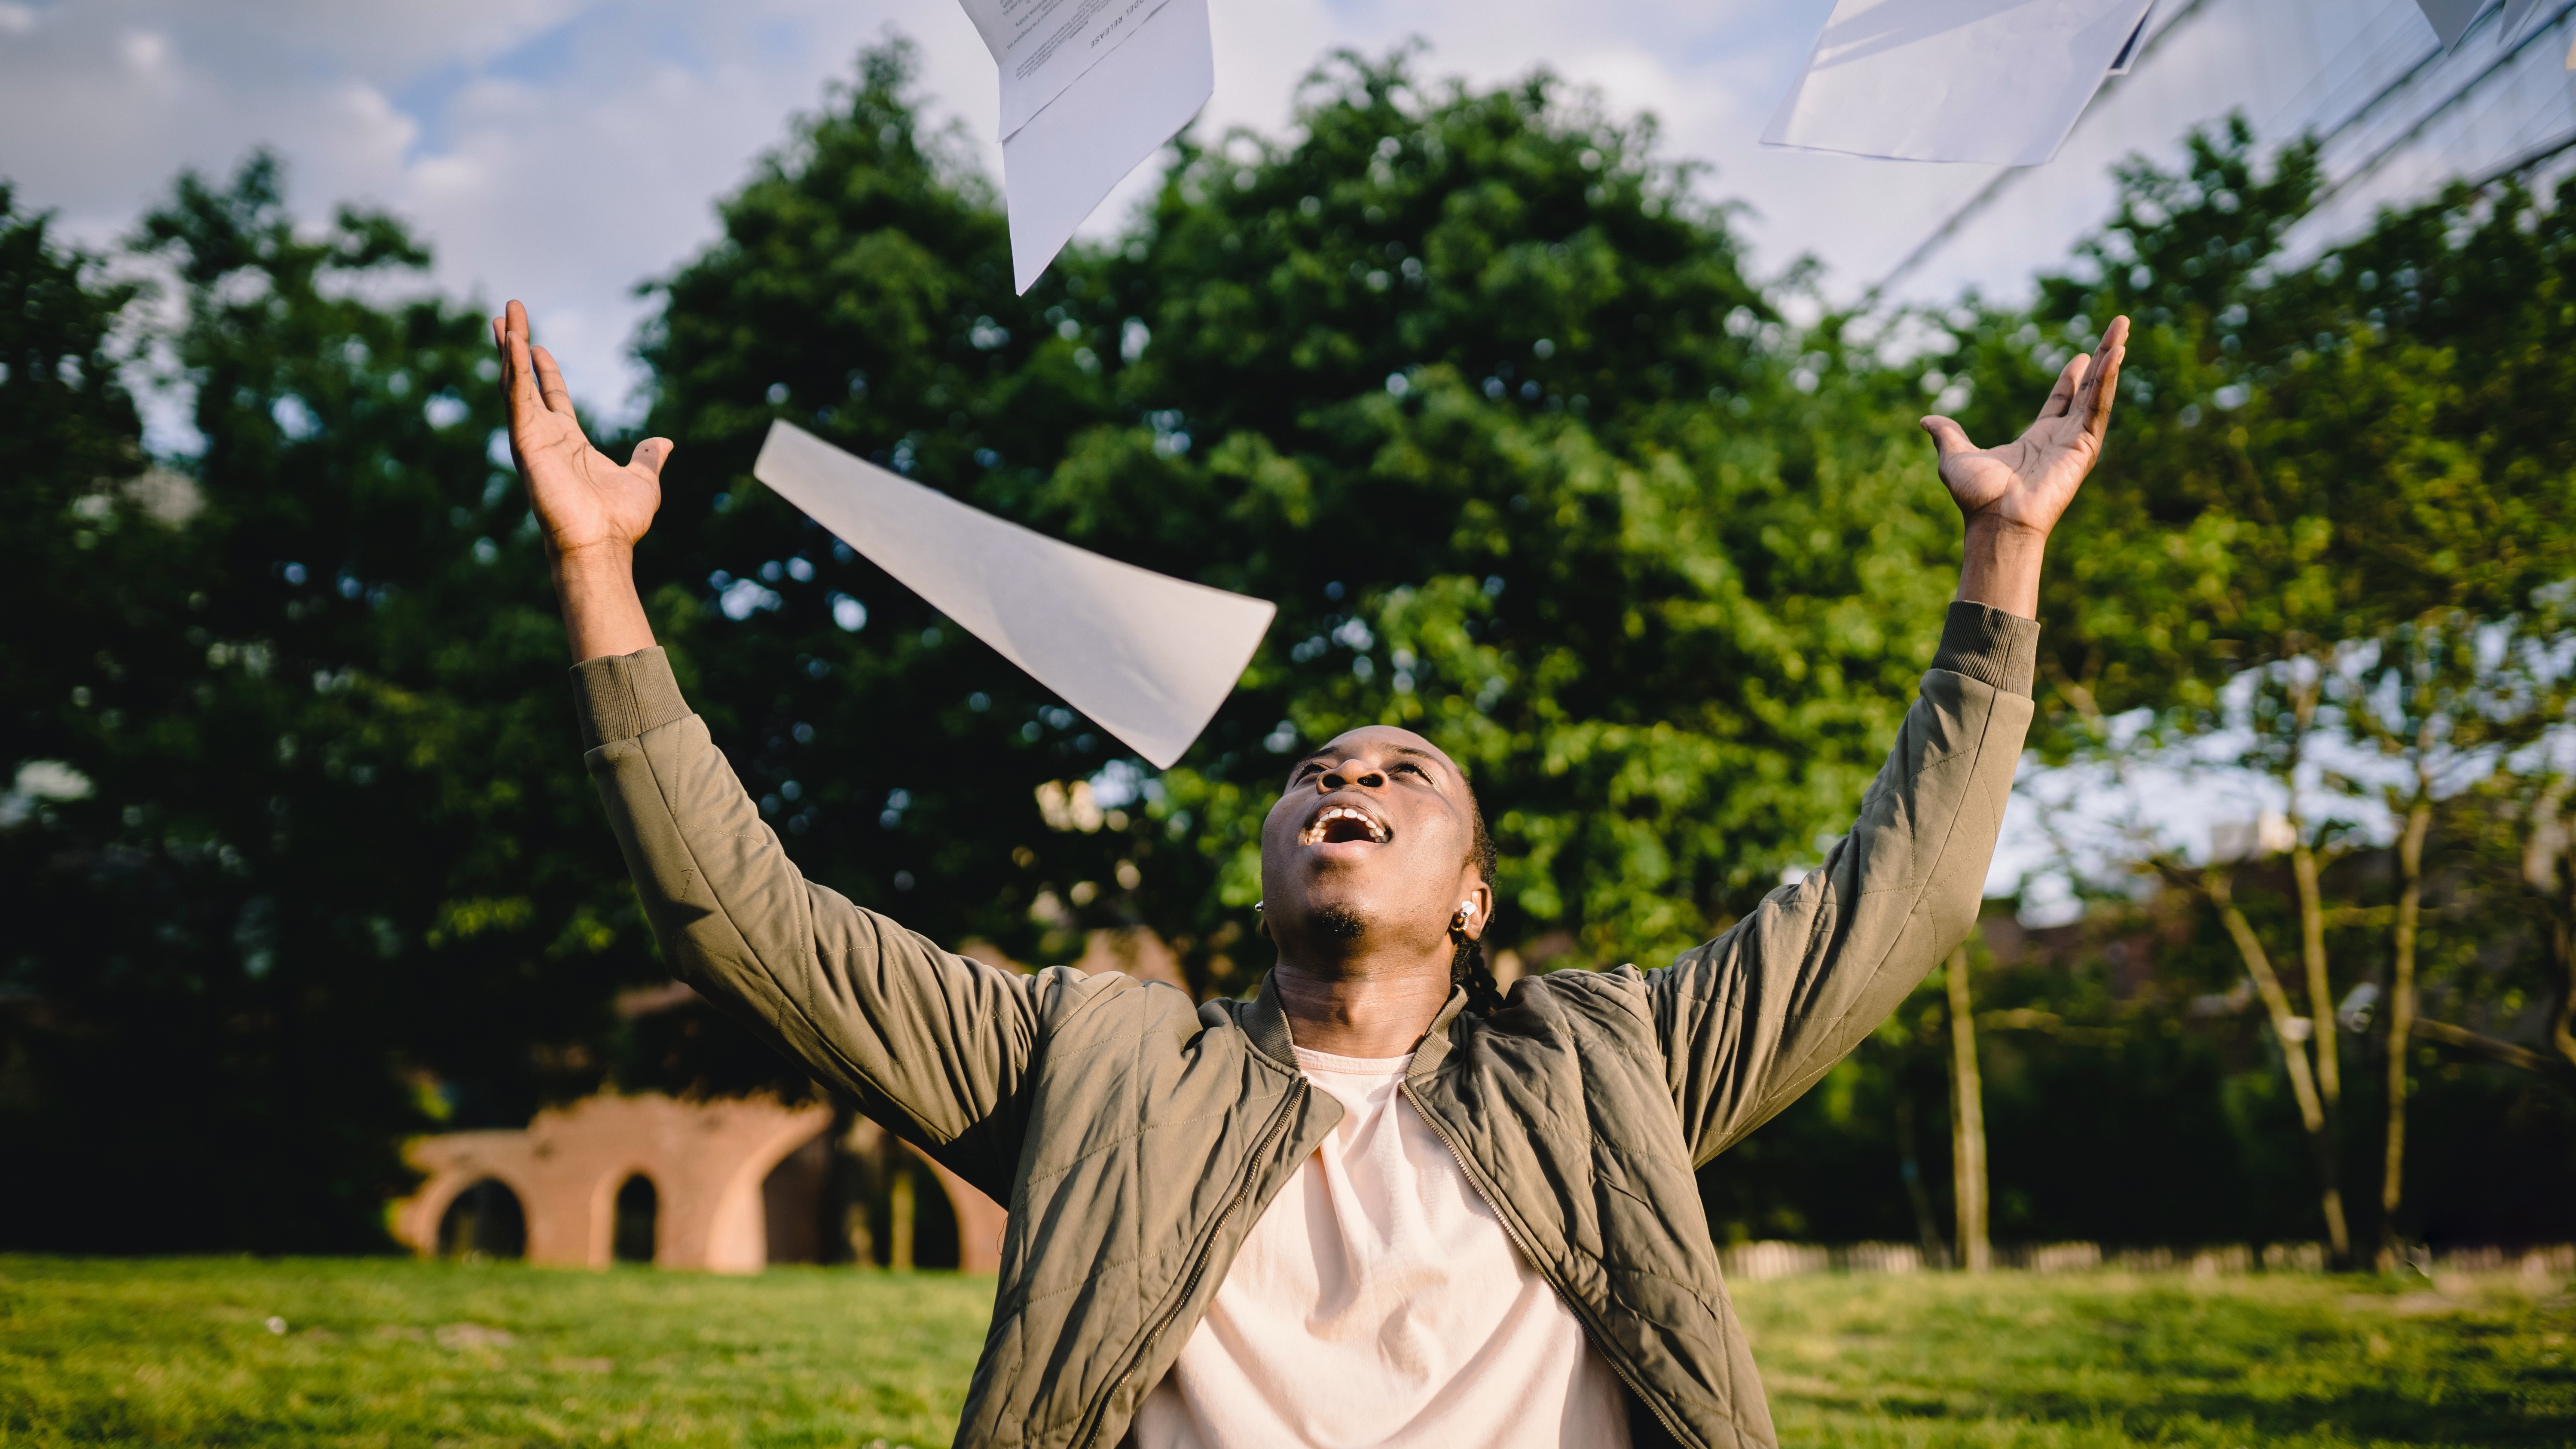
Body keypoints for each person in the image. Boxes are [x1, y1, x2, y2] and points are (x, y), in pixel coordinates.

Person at [494, 297, 2127, 1449]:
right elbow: (743, 921)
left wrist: (2004, 557)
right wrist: (598, 575)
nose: (1346, 778)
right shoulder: (1096, 1064)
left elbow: (1889, 903)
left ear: (1472, 895)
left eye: (1402, 775)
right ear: (1270, 861)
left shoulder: (1607, 1062)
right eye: (1313, 774)